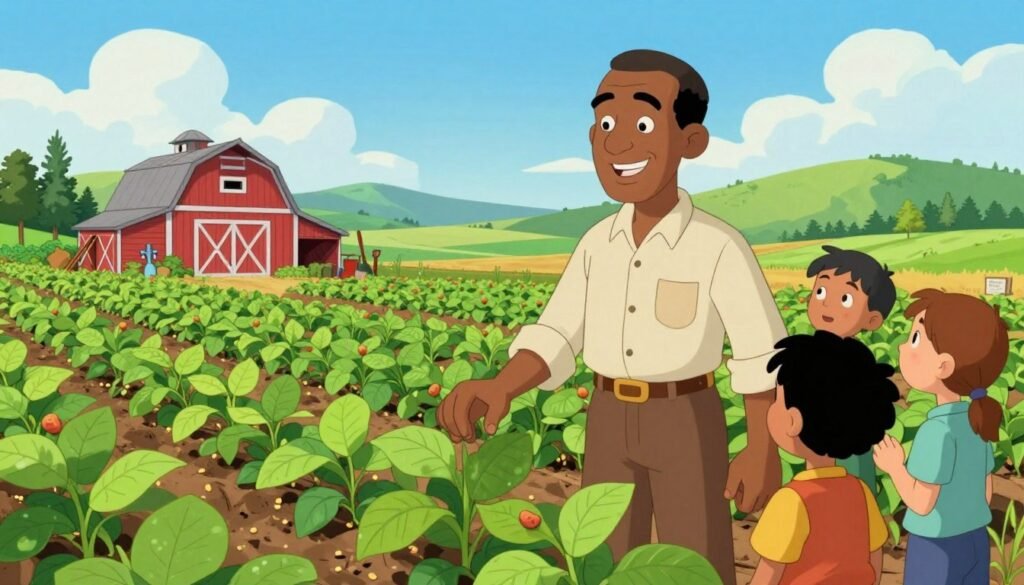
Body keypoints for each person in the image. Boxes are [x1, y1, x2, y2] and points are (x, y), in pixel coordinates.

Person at [437, 49, 788, 585]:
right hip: (605, 418)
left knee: (693, 556)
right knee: (603, 553)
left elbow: (759, 353)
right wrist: (502, 385)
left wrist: (761, 448)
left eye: (642, 123)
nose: (617, 142)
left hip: (685, 419)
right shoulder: (597, 244)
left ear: (691, 141)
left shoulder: (718, 246)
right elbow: (557, 333)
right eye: (605, 122)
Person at [873, 289, 1008, 585]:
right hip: (975, 540)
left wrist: (895, 466)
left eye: (915, 339)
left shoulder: (936, 431)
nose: (902, 349)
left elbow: (922, 503)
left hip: (937, 547)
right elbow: (985, 494)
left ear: (943, 366)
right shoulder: (977, 422)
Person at [750, 331, 897, 585]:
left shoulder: (791, 500)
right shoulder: (860, 491)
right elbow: (873, 558)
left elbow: (769, 574)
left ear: (793, 421)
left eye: (778, 399)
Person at [804, 245, 897, 492]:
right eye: (821, 291)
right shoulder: (812, 352)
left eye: (845, 299)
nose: (827, 305)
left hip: (850, 451)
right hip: (817, 449)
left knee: (852, 495)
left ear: (873, 319)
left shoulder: (858, 360)